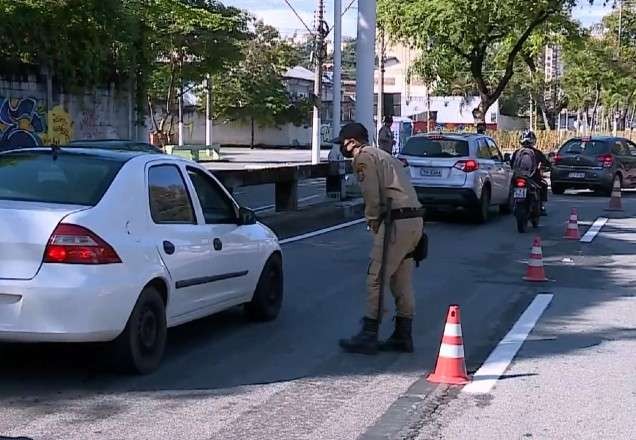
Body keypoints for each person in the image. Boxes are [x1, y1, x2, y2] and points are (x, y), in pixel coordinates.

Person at [333, 122, 424, 354]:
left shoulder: (363, 158)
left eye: (343, 143)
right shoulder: (384, 155)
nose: (342, 148)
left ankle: (369, 333)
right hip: (414, 220)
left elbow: (372, 195)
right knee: (401, 280)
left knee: (376, 277)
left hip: (395, 222)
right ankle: (404, 335)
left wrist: (373, 222)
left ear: (351, 141)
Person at [511, 130, 550, 215]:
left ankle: (513, 203)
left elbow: (511, 164)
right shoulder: (537, 152)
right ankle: (542, 207)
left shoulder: (517, 152)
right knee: (543, 185)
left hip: (518, 177)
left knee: (512, 186)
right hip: (533, 178)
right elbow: (547, 163)